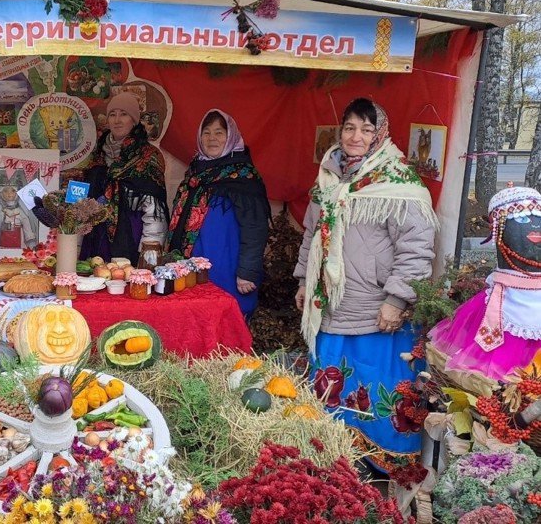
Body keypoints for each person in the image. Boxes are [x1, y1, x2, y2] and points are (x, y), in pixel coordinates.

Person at [293, 97, 437, 472]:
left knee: (375, 387)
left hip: (376, 313)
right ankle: (335, 462)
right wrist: (304, 283)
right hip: (330, 306)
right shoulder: (328, 177)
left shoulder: (398, 181)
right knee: (331, 385)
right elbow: (312, 235)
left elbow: (416, 248)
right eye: (350, 127)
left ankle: (382, 470)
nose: (356, 137)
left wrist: (396, 298)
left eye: (366, 129)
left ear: (380, 134)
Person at [429, 186, 541, 394]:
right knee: (492, 388)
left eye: (539, 219)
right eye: (523, 220)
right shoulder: (489, 304)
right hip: (504, 305)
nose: (535, 227)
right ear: (499, 230)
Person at [166, 109, 270, 320]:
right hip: (191, 270)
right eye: (206, 132)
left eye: (219, 132)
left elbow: (255, 228)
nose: (212, 138)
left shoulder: (244, 177)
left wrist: (247, 272)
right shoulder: (195, 174)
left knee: (224, 323)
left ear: (230, 136)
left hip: (228, 270)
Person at [80, 92, 168, 266]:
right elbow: (80, 206)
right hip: (96, 243)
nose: (117, 120)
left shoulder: (148, 156)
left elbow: (155, 215)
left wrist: (148, 259)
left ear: (134, 120)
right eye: (112, 114)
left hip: (132, 242)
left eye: (124, 114)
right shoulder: (97, 157)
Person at [0, 177, 37, 249]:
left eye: (13, 191)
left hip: (18, 244)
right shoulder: (1, 212)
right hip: (4, 244)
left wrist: (31, 242)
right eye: (5, 191)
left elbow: (27, 227)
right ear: (0, 193)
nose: (9, 194)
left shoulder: (20, 212)